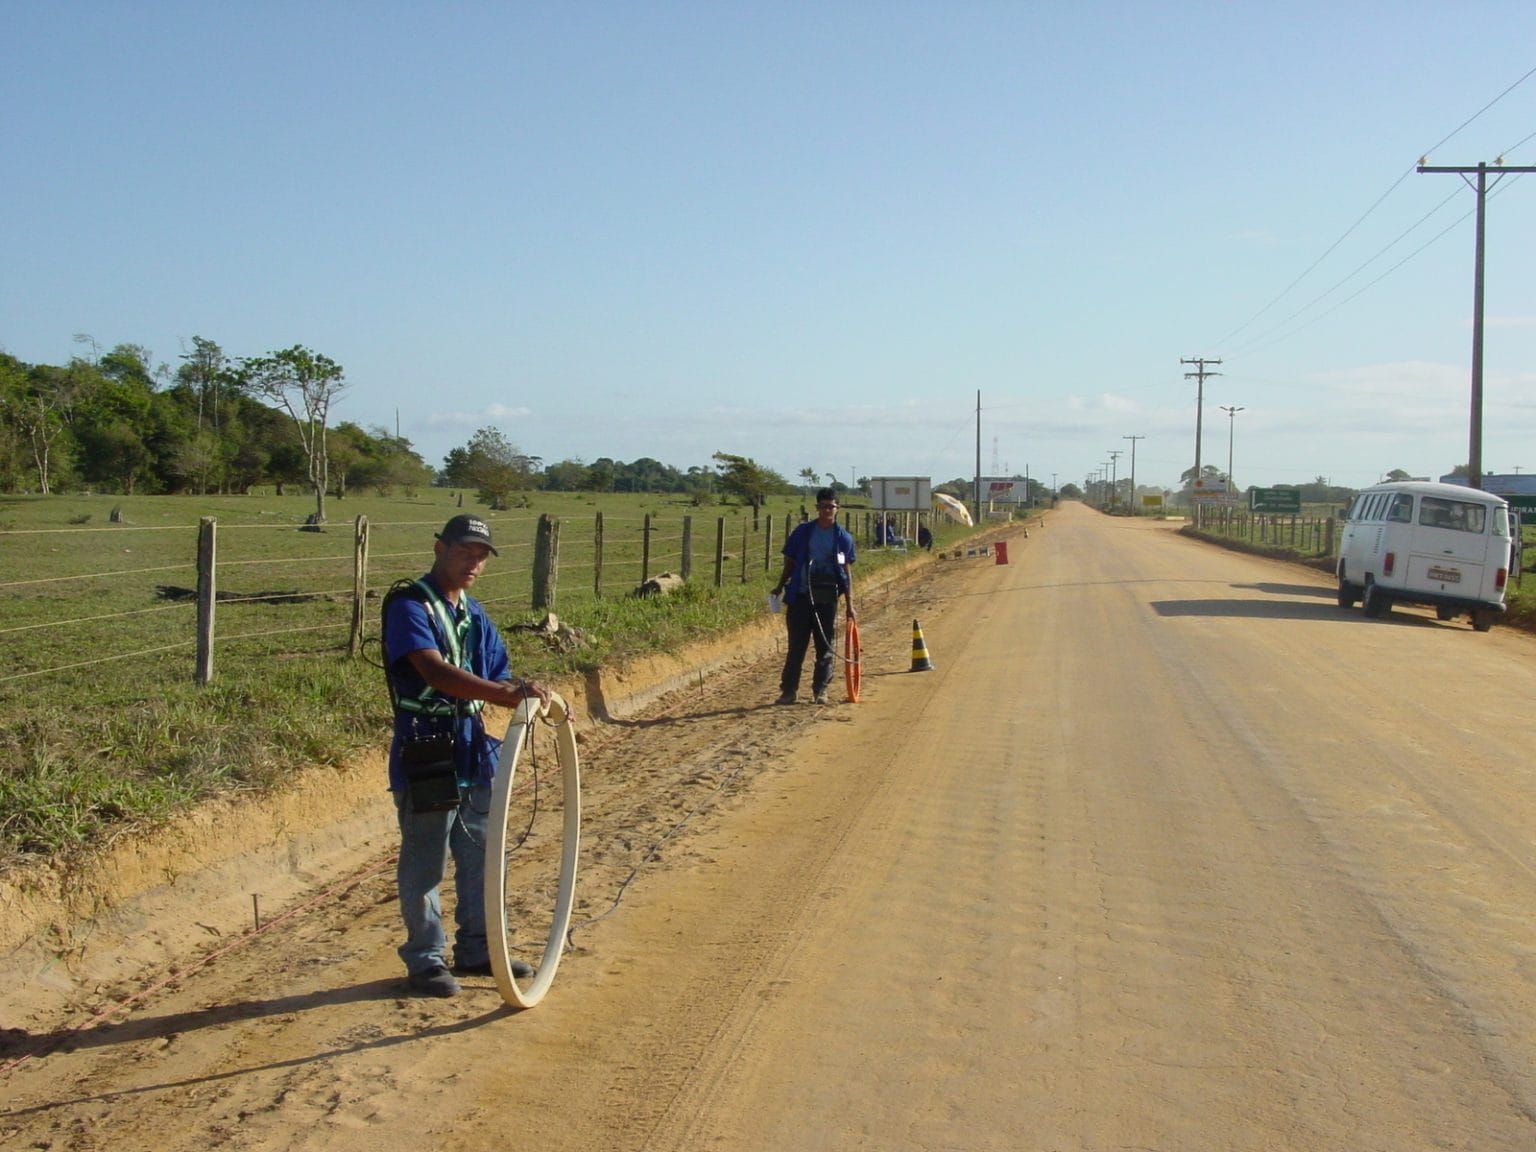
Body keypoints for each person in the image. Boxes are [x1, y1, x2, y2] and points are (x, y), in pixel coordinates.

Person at [382, 514, 551, 998]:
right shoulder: (410, 606)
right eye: (464, 552)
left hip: (474, 748)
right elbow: (435, 673)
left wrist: (524, 691)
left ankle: (477, 948)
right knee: (426, 858)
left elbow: (499, 673)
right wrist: (504, 696)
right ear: (439, 548)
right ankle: (425, 960)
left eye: (480, 556)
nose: (473, 563)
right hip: (428, 746)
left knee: (481, 851)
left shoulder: (474, 614)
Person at [770, 488, 857, 705]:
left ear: (837, 508)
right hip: (800, 597)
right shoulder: (802, 532)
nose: (827, 510)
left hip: (826, 600)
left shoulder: (843, 538)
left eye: (831, 506)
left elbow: (846, 571)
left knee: (824, 647)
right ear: (817, 508)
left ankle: (821, 691)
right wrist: (780, 585)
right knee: (796, 648)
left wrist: (849, 603)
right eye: (823, 506)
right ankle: (788, 691)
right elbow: (790, 561)